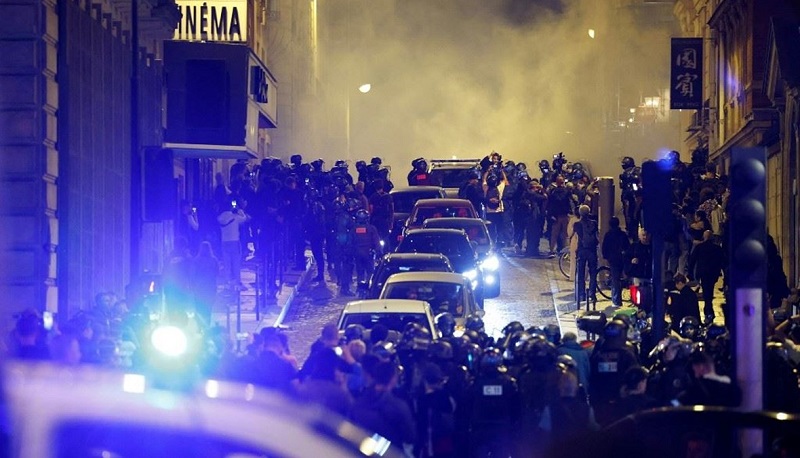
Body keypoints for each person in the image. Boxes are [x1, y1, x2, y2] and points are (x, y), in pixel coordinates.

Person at [688, 230, 724, 324]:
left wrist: (690, 273)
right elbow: (722, 262)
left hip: (703, 273)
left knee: (706, 292)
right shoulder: (717, 248)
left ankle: (708, 311)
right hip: (713, 273)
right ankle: (709, 311)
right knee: (709, 291)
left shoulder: (700, 247)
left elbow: (692, 260)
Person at [216, 199, 250, 288]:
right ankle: (237, 281)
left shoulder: (220, 218)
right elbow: (244, 218)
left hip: (224, 242)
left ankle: (228, 281)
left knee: (227, 263)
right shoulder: (235, 216)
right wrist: (240, 211)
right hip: (235, 241)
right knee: (236, 262)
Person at [574, 205, 599, 305]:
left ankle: (582, 294)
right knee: (593, 272)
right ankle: (592, 293)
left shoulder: (577, 224)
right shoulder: (594, 223)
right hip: (592, 250)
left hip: (582, 250)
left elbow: (575, 235)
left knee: (581, 273)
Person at [602, 216, 630, 306]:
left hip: (612, 259)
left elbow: (604, 247)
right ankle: (618, 297)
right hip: (622, 258)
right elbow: (627, 246)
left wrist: (606, 257)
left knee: (615, 279)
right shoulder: (622, 234)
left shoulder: (608, 235)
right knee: (620, 278)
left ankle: (617, 300)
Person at [192, 241, 220, 326]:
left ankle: (199, 325)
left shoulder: (196, 260)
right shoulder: (213, 260)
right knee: (208, 308)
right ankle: (207, 325)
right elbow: (217, 272)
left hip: (199, 287)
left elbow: (192, 273)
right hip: (210, 287)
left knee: (199, 308)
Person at [353, 209, 381, 283]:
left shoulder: (354, 229)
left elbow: (351, 241)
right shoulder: (372, 229)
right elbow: (376, 241)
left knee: (360, 272)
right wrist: (378, 252)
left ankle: (360, 286)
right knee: (370, 272)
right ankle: (368, 285)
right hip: (368, 254)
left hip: (358, 254)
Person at [547, 175, 572, 256]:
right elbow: (570, 202)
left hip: (556, 216)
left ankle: (552, 250)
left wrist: (551, 214)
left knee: (554, 234)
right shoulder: (567, 191)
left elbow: (550, 204)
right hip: (564, 215)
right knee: (565, 234)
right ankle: (565, 252)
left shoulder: (553, 191)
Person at [368, 179, 393, 245]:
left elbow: (371, 210)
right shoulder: (388, 197)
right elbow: (391, 210)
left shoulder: (373, 197)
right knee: (386, 238)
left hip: (376, 221)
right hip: (385, 221)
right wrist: (391, 222)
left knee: (376, 237)